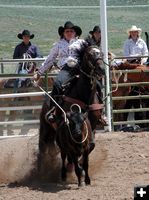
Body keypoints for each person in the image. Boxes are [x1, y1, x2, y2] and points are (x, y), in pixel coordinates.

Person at [34, 21, 86, 101]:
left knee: (94, 85)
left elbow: (90, 54)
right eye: (67, 31)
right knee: (57, 83)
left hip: (80, 68)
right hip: (65, 70)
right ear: (64, 33)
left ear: (75, 33)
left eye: (71, 31)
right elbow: (50, 58)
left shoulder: (82, 43)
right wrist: (39, 72)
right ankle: (54, 106)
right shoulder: (58, 44)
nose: (69, 33)